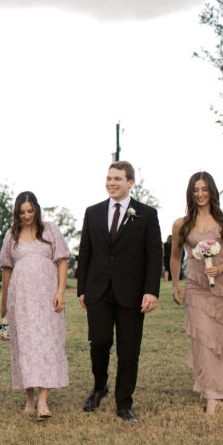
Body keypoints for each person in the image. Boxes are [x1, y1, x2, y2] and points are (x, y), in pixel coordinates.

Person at [76, 161, 162, 423]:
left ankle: (124, 403)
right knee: (99, 343)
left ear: (130, 183)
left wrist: (151, 291)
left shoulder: (146, 214)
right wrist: (82, 289)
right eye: (108, 178)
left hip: (132, 293)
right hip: (99, 291)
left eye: (117, 179)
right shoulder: (93, 212)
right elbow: (86, 252)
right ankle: (100, 386)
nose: (111, 183)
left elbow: (153, 255)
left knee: (129, 351)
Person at [170, 172, 223, 414]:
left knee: (219, 338)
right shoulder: (182, 223)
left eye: (204, 189)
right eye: (195, 190)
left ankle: (220, 389)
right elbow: (176, 255)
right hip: (195, 285)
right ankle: (211, 393)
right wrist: (175, 285)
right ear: (190, 193)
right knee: (202, 338)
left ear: (212, 191)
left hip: (221, 286)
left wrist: (220, 267)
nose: (200, 194)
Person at [0, 192, 70, 421]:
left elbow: (62, 260)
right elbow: (6, 269)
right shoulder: (12, 235)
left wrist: (60, 291)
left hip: (47, 295)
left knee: (47, 343)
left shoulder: (50, 230)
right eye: (22, 212)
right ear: (17, 213)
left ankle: (43, 401)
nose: (27, 216)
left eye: (30, 211)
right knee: (25, 344)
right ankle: (29, 399)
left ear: (36, 209)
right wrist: (4, 304)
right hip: (21, 297)